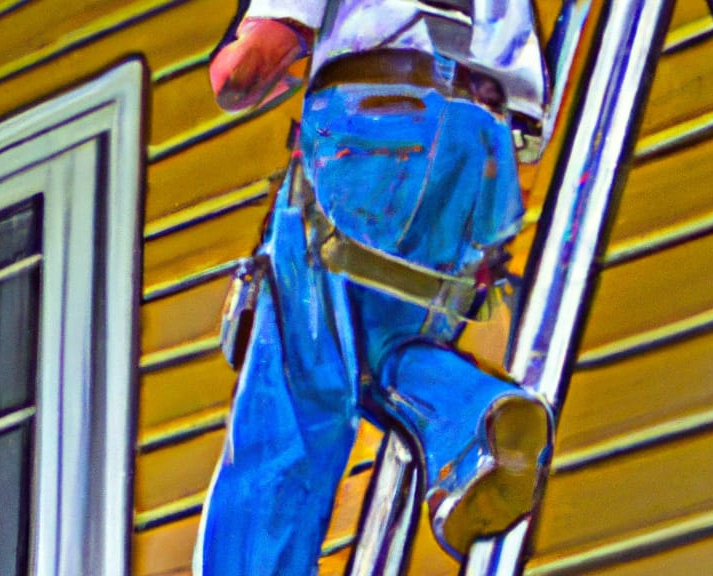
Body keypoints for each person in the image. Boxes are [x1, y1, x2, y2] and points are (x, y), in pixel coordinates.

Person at [194, 1, 555, 575]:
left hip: (376, 125)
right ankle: (472, 419)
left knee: (291, 393)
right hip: (483, 154)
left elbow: (255, 64)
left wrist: (231, 58)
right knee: (370, 346)